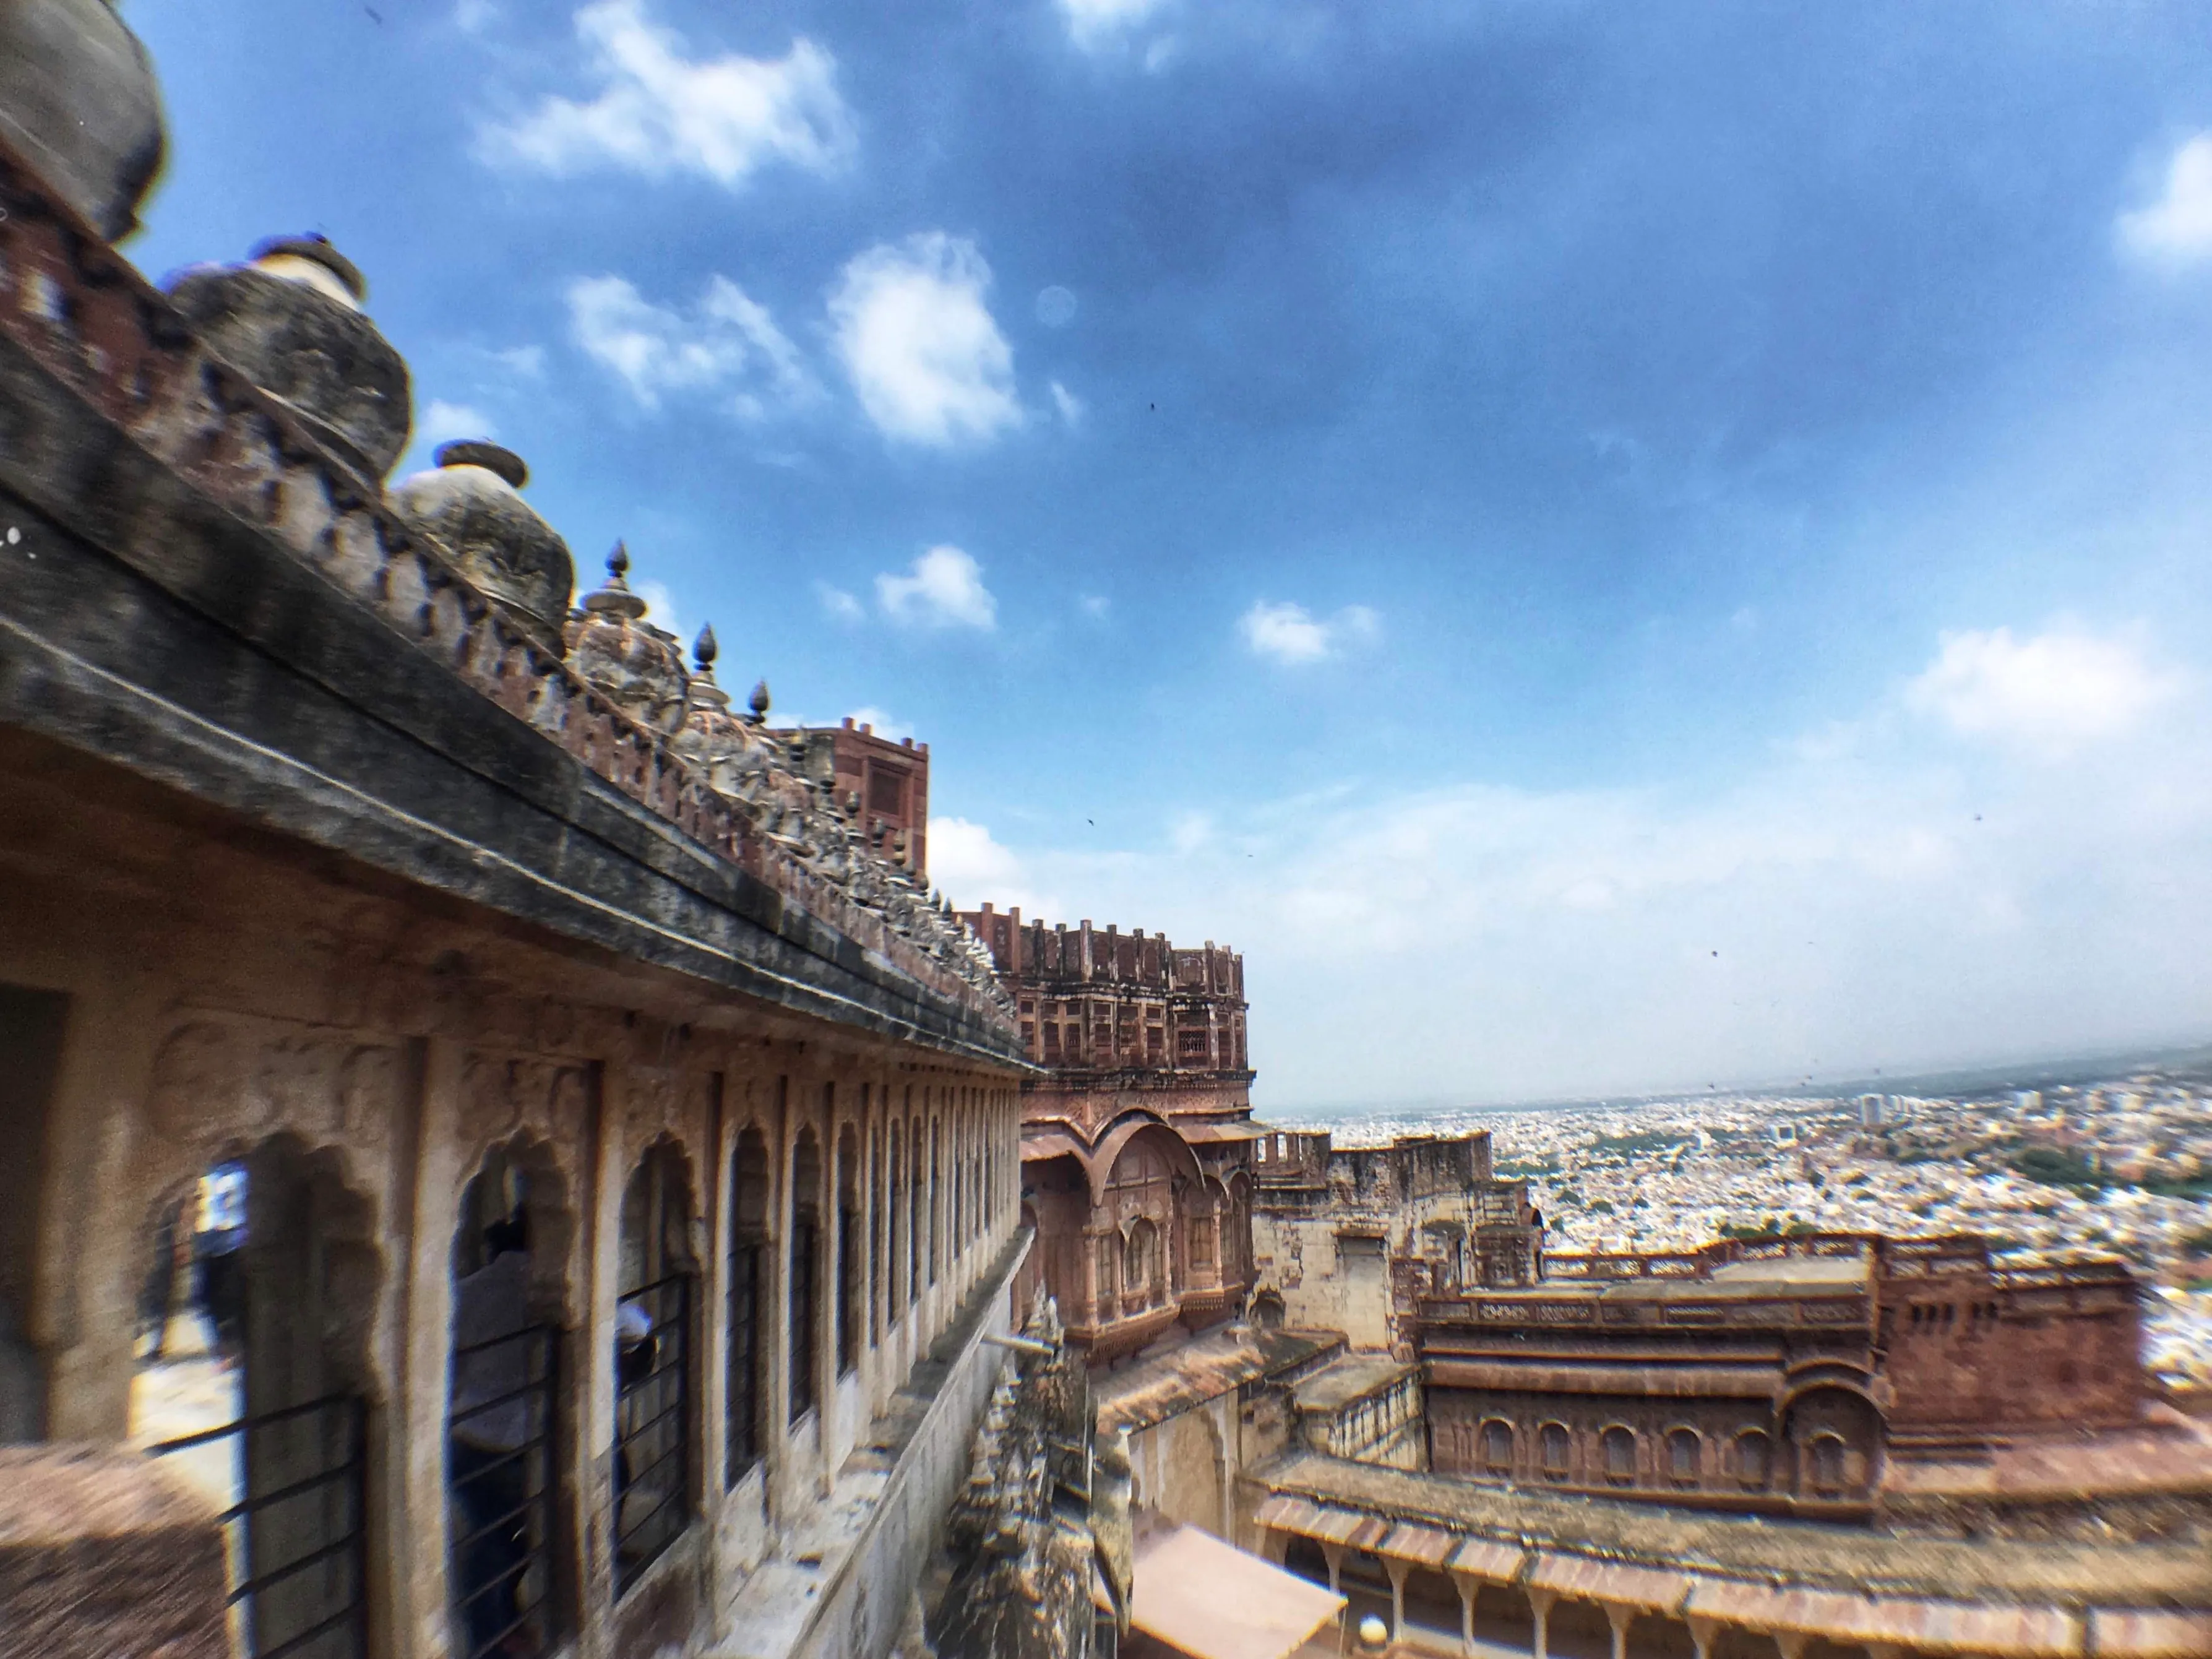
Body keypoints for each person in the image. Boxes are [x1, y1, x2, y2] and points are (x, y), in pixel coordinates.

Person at [449, 1214, 536, 1658]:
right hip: (517, 1439)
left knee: (493, 1534)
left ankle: (500, 1627)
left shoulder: (467, 1291)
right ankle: (493, 1638)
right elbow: (633, 1323)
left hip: (466, 1435)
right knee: (505, 1540)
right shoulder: (548, 1290)